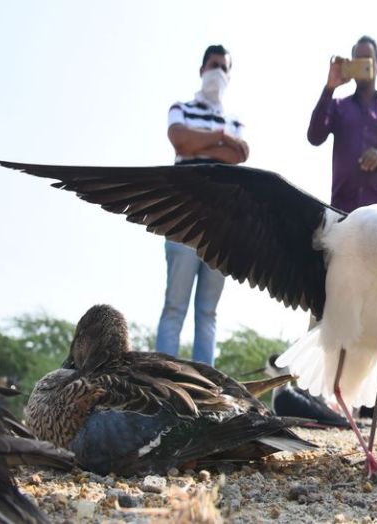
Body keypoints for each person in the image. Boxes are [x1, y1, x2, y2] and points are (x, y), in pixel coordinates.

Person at [155, 44, 249, 365]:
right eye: (214, 65)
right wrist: (219, 138)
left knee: (207, 313)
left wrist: (200, 144)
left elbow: (239, 155)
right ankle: (163, 383)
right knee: (175, 307)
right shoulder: (180, 108)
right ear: (201, 69)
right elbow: (179, 140)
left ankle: (204, 389)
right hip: (182, 221)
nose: (218, 72)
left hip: (220, 227)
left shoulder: (234, 121)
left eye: (224, 67)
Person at [307, 35, 377, 213]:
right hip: (342, 214)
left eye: (368, 59)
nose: (363, 63)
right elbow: (314, 137)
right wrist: (329, 87)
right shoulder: (337, 107)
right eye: (357, 59)